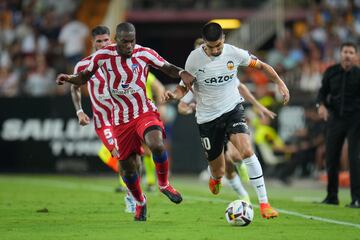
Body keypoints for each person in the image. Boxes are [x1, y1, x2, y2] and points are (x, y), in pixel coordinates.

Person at [56, 22, 195, 221]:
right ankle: (139, 201)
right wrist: (68, 79)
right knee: (128, 167)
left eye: (132, 41)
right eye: (125, 42)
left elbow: (168, 68)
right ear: (117, 40)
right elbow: (82, 78)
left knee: (156, 144)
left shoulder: (144, 53)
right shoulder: (103, 56)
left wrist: (182, 72)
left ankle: (164, 184)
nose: (129, 46)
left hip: (144, 112)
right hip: (119, 120)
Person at [164, 22, 290, 219]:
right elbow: (183, 87)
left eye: (218, 46)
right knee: (219, 170)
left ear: (223, 39)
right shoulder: (194, 59)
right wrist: (175, 95)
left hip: (232, 109)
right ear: (204, 43)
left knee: (246, 150)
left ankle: (264, 203)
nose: (215, 50)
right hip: (207, 119)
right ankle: (215, 178)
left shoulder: (234, 53)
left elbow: (262, 66)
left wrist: (280, 83)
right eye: (210, 47)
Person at [70, 25, 133, 211]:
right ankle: (131, 195)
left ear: (111, 40)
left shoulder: (123, 59)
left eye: (106, 40)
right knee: (120, 155)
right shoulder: (83, 65)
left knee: (130, 157)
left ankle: (133, 190)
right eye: (99, 41)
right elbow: (74, 86)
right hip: (104, 120)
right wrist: (79, 111)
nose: (104, 44)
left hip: (125, 116)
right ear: (93, 43)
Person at [316, 42, 360, 208]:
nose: (348, 55)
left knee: (354, 158)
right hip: (335, 118)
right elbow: (322, 93)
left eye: (351, 52)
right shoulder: (331, 72)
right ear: (340, 54)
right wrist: (320, 105)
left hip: (356, 119)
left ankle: (357, 198)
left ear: (355, 56)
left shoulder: (358, 74)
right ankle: (332, 196)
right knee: (331, 157)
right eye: (345, 52)